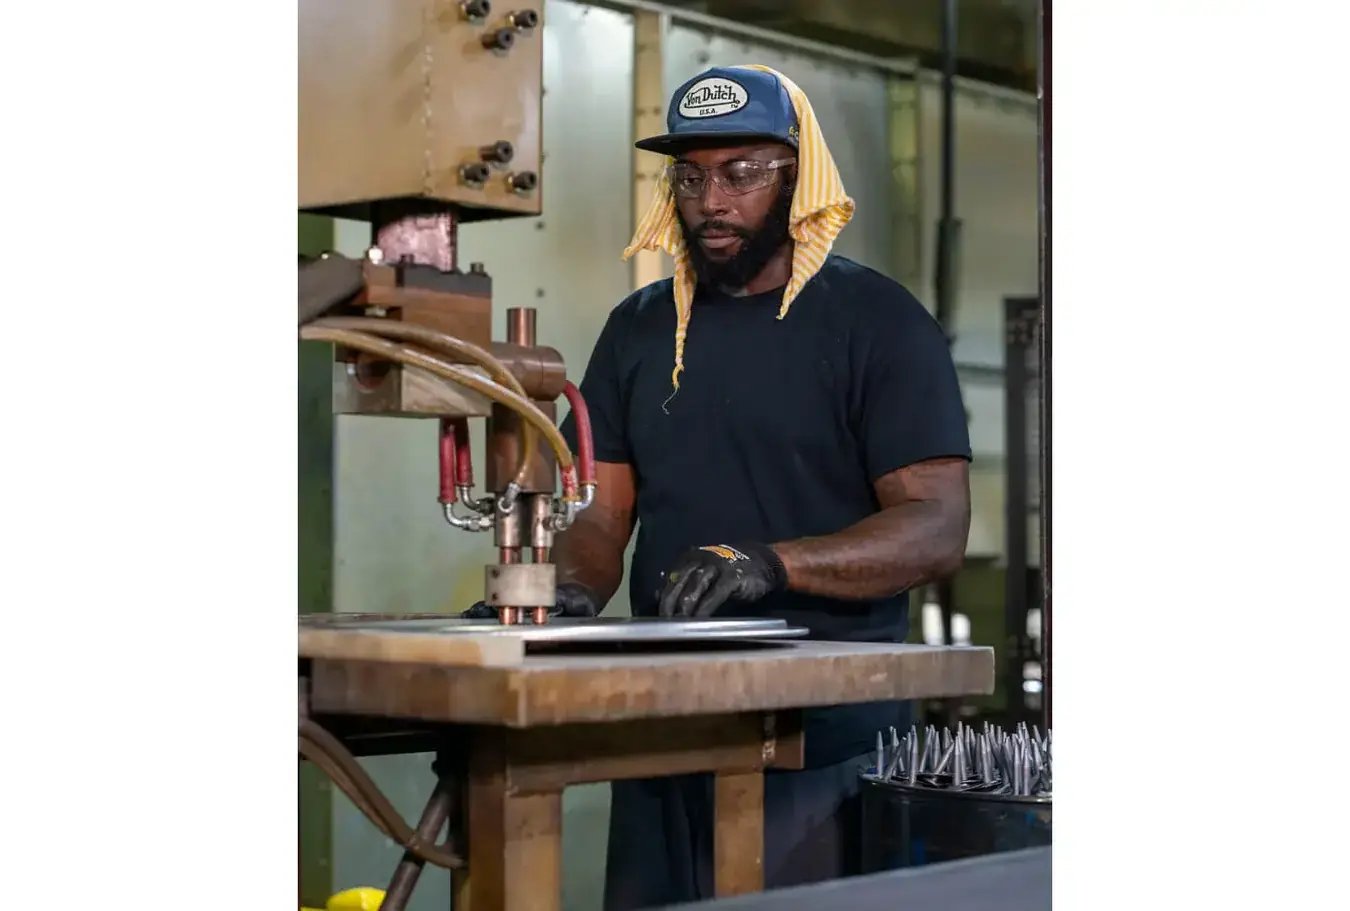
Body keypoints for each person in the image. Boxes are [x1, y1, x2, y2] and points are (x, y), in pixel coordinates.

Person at [518, 64, 970, 909]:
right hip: (661, 725)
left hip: (822, 742)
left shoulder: (877, 322)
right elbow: (603, 513)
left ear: (797, 180)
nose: (711, 202)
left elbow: (935, 525)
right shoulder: (640, 328)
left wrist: (769, 563)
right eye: (690, 179)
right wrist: (569, 591)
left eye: (741, 174)